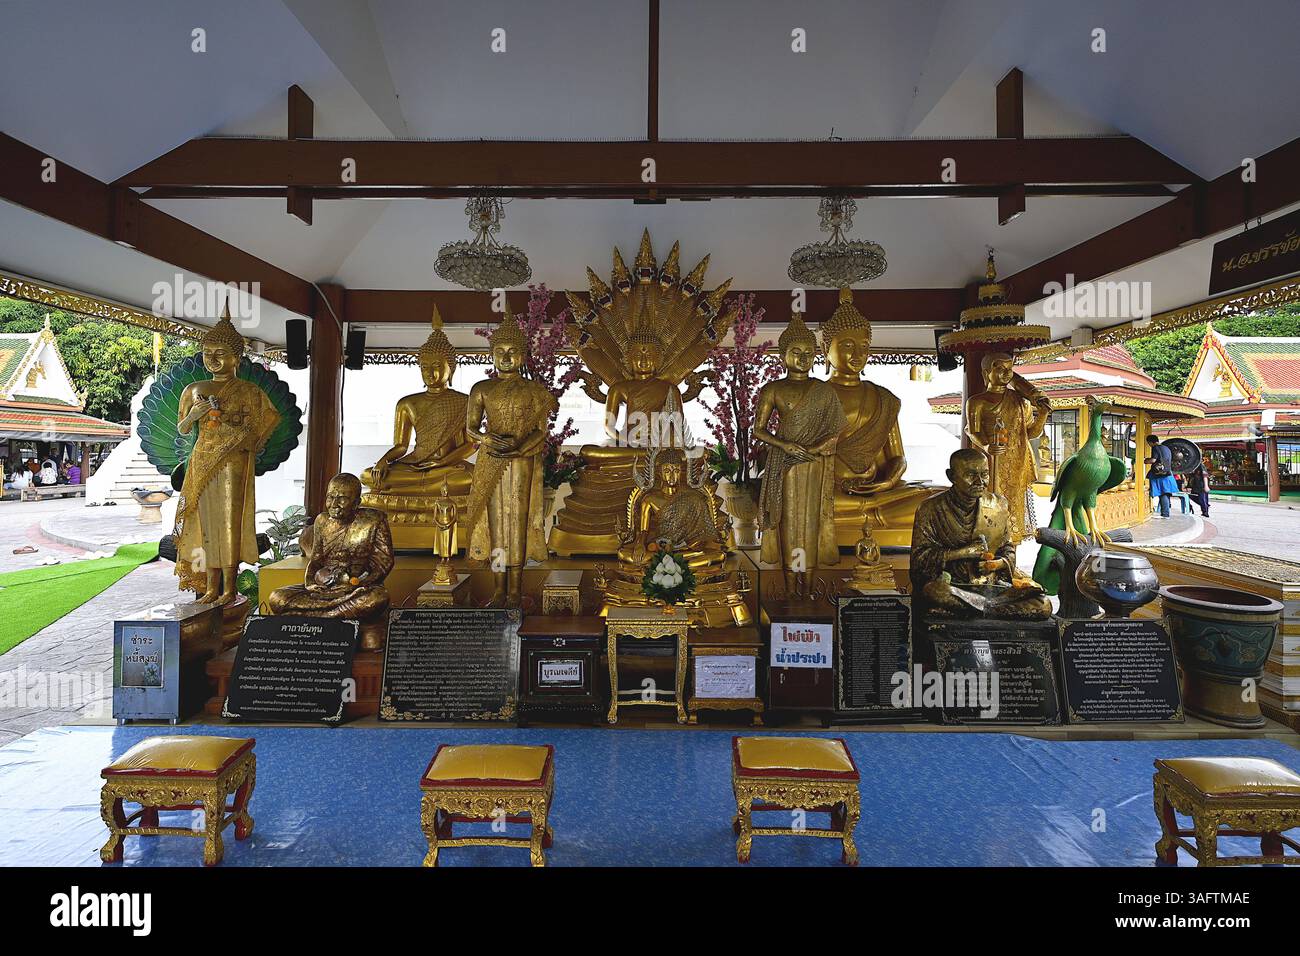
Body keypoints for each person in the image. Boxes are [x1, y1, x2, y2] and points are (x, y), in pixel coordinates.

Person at [1144, 435, 1178, 518]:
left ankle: (1165, 514)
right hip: (1168, 474)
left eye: (1149, 443)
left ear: (1150, 442)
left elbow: (1153, 460)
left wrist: (1145, 460)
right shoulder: (1166, 448)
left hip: (1160, 475)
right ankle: (1165, 512)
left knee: (1163, 494)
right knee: (1165, 493)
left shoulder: (1155, 448)